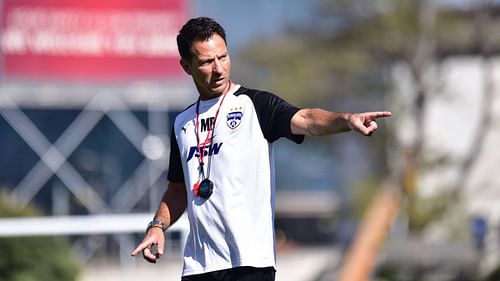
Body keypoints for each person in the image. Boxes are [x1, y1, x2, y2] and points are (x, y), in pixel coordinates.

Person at [131, 16, 391, 281]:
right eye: (207, 62)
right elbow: (177, 189)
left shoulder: (254, 105)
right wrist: (157, 226)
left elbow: (308, 120)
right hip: (199, 267)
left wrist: (346, 120)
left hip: (250, 264)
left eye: (223, 57)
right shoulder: (182, 123)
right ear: (186, 66)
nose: (219, 68)